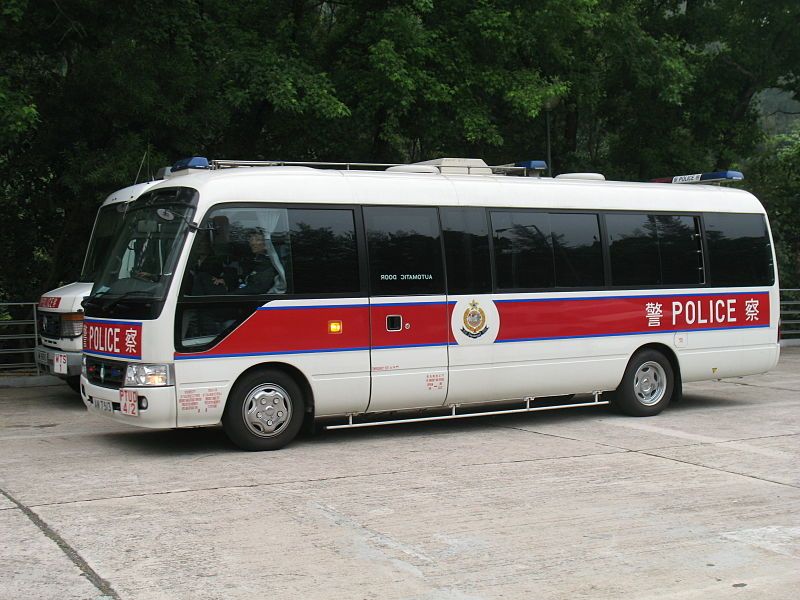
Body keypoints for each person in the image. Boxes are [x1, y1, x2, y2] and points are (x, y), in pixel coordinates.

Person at [237, 229, 286, 294]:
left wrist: (230, 296)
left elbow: (257, 289)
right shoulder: (251, 260)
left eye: (258, 240)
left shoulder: (270, 264)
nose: (253, 243)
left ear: (267, 244)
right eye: (251, 240)